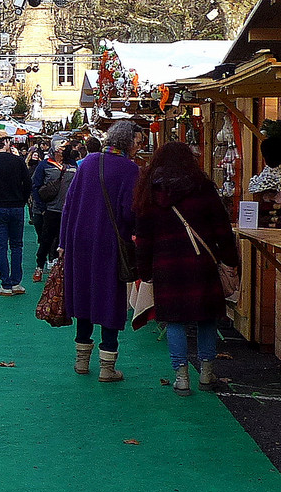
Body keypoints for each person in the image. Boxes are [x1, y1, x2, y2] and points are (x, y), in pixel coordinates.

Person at [132, 141, 240, 396]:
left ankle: (181, 377)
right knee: (207, 318)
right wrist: (230, 260)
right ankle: (206, 371)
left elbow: (143, 237)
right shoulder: (202, 188)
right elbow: (222, 228)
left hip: (166, 266)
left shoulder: (149, 192)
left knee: (174, 320)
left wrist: (144, 270)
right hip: (201, 263)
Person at [58, 121, 143, 380]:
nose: (139, 147)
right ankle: (107, 366)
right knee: (109, 297)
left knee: (83, 295)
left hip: (79, 239)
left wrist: (63, 241)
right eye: (138, 142)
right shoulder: (131, 169)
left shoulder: (89, 163)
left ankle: (81, 361)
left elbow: (69, 204)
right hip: (110, 241)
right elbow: (131, 211)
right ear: (128, 142)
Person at [0, 133, 33, 296]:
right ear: (6, 142)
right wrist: (22, 201)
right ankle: (16, 282)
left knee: (1, 247)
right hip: (16, 207)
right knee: (17, 245)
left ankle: (5, 284)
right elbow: (28, 184)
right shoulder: (18, 161)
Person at [29, 142, 77, 282]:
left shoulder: (73, 165)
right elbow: (36, 186)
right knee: (46, 239)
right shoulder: (45, 165)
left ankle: (59, 268)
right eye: (62, 147)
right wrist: (42, 207)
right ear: (56, 150)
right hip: (50, 209)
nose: (66, 149)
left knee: (64, 240)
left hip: (68, 210)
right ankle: (39, 266)